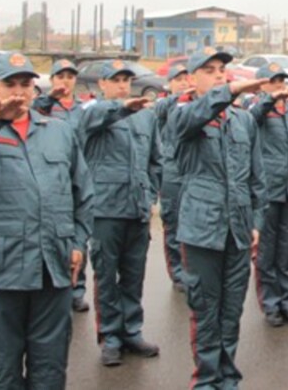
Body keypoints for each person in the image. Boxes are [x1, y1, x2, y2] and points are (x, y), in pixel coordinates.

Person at [0, 52, 93, 390]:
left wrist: (76, 243)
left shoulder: (58, 131)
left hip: (52, 267)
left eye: (25, 84)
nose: (18, 92)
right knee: (2, 369)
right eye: (9, 84)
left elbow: (81, 193)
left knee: (50, 367)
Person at [171, 48, 268, 389]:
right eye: (209, 70)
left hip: (238, 228)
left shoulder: (242, 120)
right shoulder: (183, 116)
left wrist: (256, 220)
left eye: (222, 69)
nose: (218, 75)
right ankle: (206, 378)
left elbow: (257, 178)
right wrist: (227, 93)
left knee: (231, 309)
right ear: (190, 79)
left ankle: (227, 376)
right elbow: (195, 116)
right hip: (202, 228)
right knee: (205, 308)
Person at [80, 59, 161, 366]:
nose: (123, 85)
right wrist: (123, 107)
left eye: (127, 79)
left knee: (133, 274)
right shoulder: (92, 112)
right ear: (102, 84)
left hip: (136, 207)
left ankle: (131, 330)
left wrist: (151, 190)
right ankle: (110, 336)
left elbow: (156, 159)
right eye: (115, 80)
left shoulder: (145, 117)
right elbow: (95, 118)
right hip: (105, 209)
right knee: (106, 276)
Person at [245, 61, 288, 328]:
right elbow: (252, 120)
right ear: (262, 86)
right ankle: (270, 304)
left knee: (287, 250)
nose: (280, 85)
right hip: (267, 191)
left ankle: (287, 302)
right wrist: (270, 100)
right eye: (273, 81)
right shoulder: (255, 109)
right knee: (266, 252)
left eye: (281, 80)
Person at [33, 58, 92, 312]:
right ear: (53, 80)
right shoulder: (45, 107)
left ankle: (77, 288)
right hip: (50, 176)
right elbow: (33, 110)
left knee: (78, 234)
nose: (65, 81)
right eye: (60, 76)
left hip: (76, 174)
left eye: (70, 76)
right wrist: (50, 97)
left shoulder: (84, 108)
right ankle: (56, 284)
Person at [154, 62, 191, 292]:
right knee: (173, 224)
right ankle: (177, 273)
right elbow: (160, 110)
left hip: (192, 171)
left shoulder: (195, 104)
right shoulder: (164, 102)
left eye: (187, 78)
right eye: (178, 79)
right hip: (171, 172)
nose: (184, 83)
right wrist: (180, 96)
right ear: (170, 84)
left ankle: (191, 269)